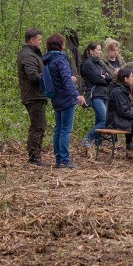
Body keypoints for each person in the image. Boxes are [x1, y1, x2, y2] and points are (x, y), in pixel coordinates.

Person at [42, 33, 86, 168]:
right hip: (66, 98)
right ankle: (65, 160)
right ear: (60, 45)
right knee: (65, 130)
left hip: (56, 97)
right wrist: (76, 95)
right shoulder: (60, 59)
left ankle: (59, 159)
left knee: (59, 129)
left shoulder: (48, 60)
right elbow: (66, 80)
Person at [17, 28, 49, 166]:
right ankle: (34, 157)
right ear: (32, 40)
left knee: (40, 125)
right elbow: (33, 76)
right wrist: (47, 79)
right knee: (38, 126)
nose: (41, 42)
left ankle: (35, 155)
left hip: (37, 95)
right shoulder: (28, 55)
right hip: (33, 95)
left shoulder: (32, 54)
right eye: (39, 39)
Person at [80, 42, 112, 153]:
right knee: (104, 119)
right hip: (95, 95)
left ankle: (99, 144)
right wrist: (104, 77)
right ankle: (88, 138)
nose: (100, 51)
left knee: (99, 120)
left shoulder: (100, 63)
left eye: (100, 49)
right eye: (98, 49)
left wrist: (105, 77)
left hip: (104, 94)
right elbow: (97, 79)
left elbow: (110, 77)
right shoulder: (88, 64)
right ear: (91, 51)